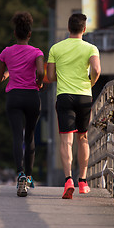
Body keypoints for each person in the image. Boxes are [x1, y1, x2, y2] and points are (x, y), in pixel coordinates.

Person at [47, 13, 101, 199]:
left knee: (66, 141)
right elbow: (96, 70)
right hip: (84, 96)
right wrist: (91, 83)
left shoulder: (56, 48)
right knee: (83, 138)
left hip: (64, 96)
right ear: (84, 29)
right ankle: (83, 182)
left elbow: (51, 76)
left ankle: (68, 180)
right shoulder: (91, 48)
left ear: (68, 28)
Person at [0, 11, 44, 197]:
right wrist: (38, 82)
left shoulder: (6, 52)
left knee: (17, 136)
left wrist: (10, 73)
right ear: (29, 34)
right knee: (29, 136)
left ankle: (20, 174)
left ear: (15, 33)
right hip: (32, 97)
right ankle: (30, 177)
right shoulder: (37, 52)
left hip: (14, 97)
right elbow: (40, 72)